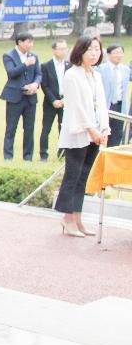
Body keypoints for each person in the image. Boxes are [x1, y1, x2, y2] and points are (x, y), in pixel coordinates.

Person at [56, 33, 109, 237]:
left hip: (95, 134)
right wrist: (91, 129)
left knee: (83, 178)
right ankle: (67, 218)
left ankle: (77, 218)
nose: (95, 53)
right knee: (73, 175)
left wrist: (104, 128)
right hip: (78, 133)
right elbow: (76, 106)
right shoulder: (72, 75)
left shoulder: (96, 75)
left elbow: (102, 104)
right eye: (90, 49)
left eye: (97, 49)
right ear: (80, 51)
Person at [0, 31, 41, 161]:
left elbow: (39, 74)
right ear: (20, 42)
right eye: (28, 42)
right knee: (11, 128)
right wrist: (25, 64)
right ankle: (8, 156)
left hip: (30, 97)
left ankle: (28, 157)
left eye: (31, 42)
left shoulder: (34, 56)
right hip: (14, 96)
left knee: (29, 129)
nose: (31, 45)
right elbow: (11, 73)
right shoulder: (9, 55)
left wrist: (35, 84)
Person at [39, 39, 70, 162]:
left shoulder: (70, 66)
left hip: (65, 102)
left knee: (63, 128)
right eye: (61, 49)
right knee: (46, 128)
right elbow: (44, 85)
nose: (63, 51)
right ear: (54, 50)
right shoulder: (46, 66)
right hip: (50, 102)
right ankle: (43, 154)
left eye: (65, 49)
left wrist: (65, 100)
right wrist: (53, 100)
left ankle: (62, 153)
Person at [97, 44, 129, 147]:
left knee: (117, 134)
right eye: (116, 53)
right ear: (109, 54)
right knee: (102, 131)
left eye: (121, 52)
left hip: (119, 106)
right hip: (106, 105)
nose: (119, 55)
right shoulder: (100, 69)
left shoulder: (126, 70)